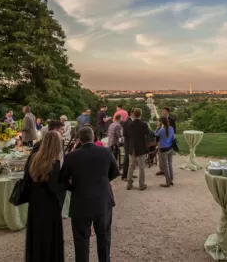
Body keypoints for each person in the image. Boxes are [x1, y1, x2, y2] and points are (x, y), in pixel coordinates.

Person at [60, 126, 119, 262]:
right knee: (104, 236)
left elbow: (63, 179)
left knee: (81, 238)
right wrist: (103, 181)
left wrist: (74, 186)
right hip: (103, 199)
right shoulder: (106, 152)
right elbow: (115, 172)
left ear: (79, 139)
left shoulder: (71, 156)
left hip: (80, 201)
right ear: (93, 137)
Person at [25, 130, 68, 262]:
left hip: (35, 199)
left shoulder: (34, 157)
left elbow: (26, 178)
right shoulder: (54, 162)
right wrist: (67, 184)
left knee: (36, 231)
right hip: (49, 201)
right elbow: (54, 187)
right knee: (50, 232)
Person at [126, 108, 150, 191]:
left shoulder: (129, 124)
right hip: (141, 147)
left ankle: (129, 184)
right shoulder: (144, 124)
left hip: (132, 146)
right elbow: (148, 134)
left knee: (131, 166)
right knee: (141, 167)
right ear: (140, 114)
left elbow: (127, 135)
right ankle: (141, 184)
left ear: (133, 114)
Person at [156, 107, 177, 176]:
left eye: (164, 111)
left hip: (168, 142)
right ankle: (162, 170)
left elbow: (174, 131)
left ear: (168, 112)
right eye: (162, 111)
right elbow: (158, 132)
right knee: (160, 156)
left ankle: (167, 172)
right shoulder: (160, 119)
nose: (163, 112)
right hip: (160, 140)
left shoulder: (172, 119)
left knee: (168, 159)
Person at [155, 117, 175, 187]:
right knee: (170, 164)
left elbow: (156, 135)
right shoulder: (171, 128)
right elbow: (173, 138)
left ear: (161, 123)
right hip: (171, 148)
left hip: (164, 149)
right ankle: (171, 180)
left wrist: (157, 127)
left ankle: (167, 182)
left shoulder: (161, 130)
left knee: (165, 166)